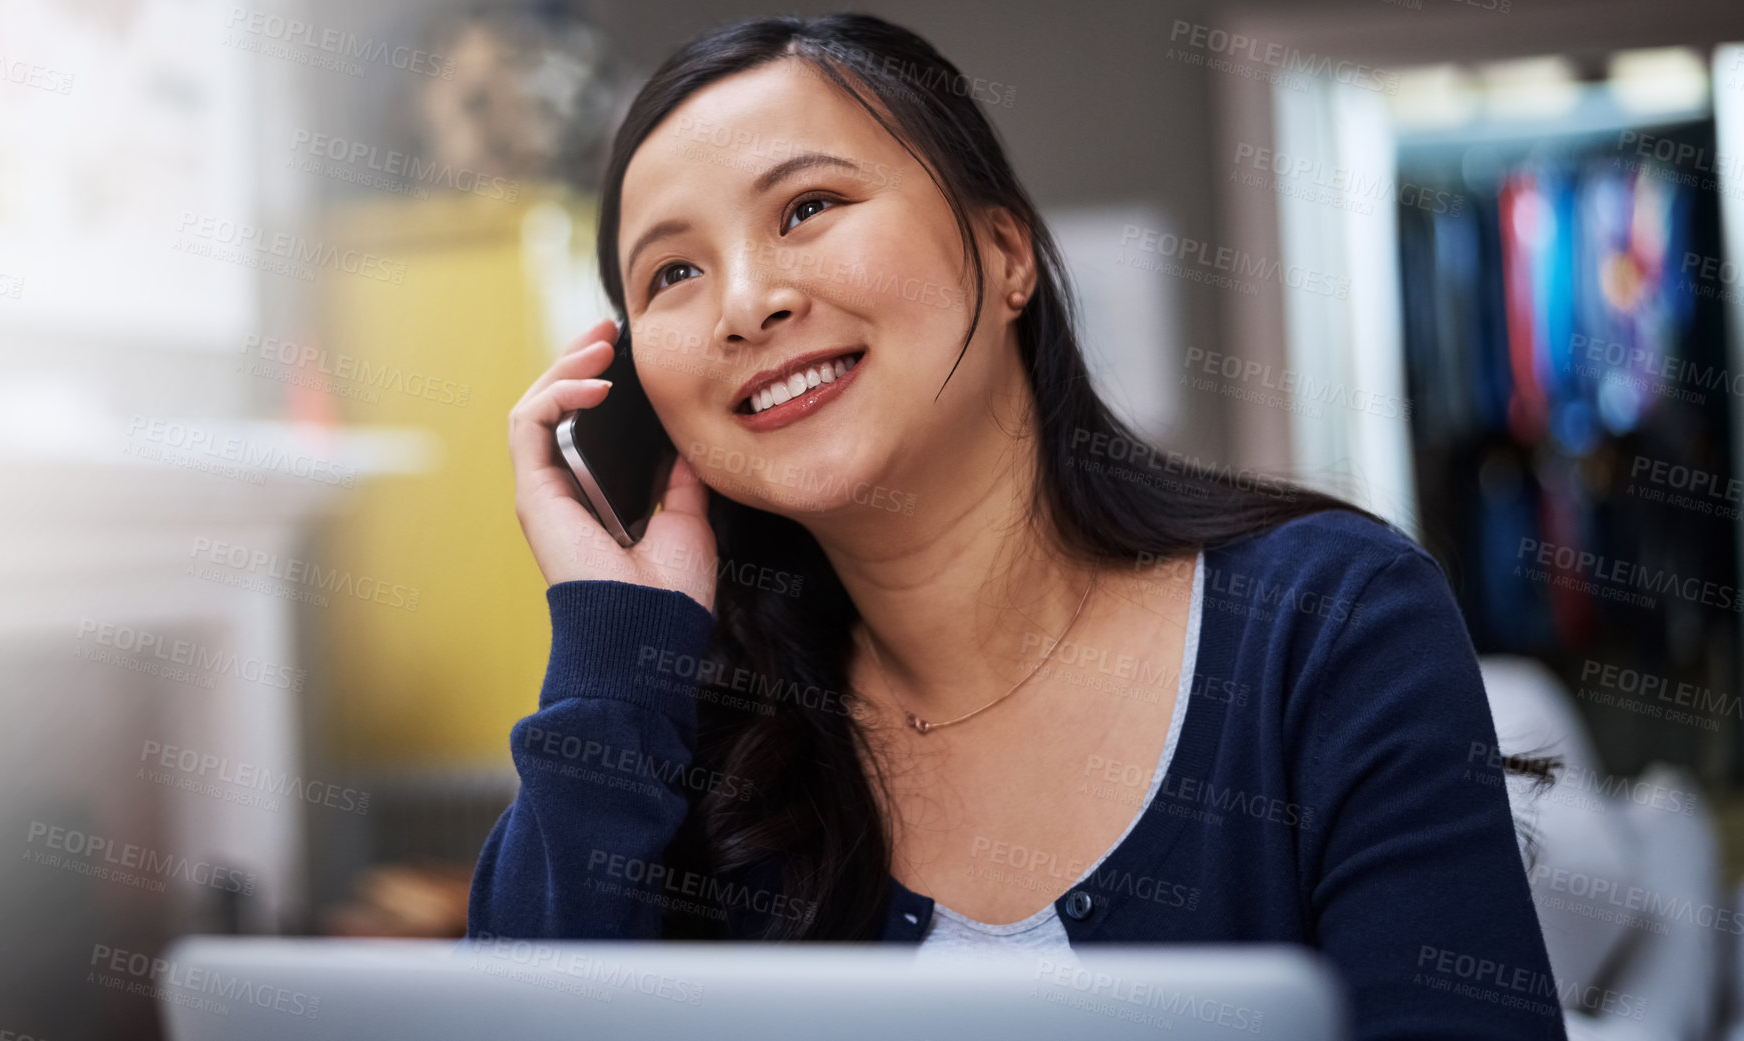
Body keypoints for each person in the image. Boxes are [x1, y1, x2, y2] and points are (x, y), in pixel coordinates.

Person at [476, 13, 1564, 1040]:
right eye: (672, 272)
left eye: (806, 208)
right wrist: (612, 654)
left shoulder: (1325, 622)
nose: (744, 303)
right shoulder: (692, 733)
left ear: (1004, 254)